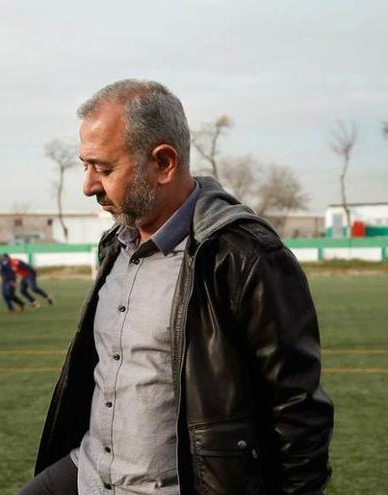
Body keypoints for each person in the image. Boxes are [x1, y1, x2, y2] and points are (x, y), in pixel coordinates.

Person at [19, 80, 333, 494]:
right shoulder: (116, 244)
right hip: (89, 472)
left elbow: (298, 410)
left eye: (105, 168)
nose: (89, 186)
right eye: (86, 166)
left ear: (163, 163)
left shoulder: (243, 256)